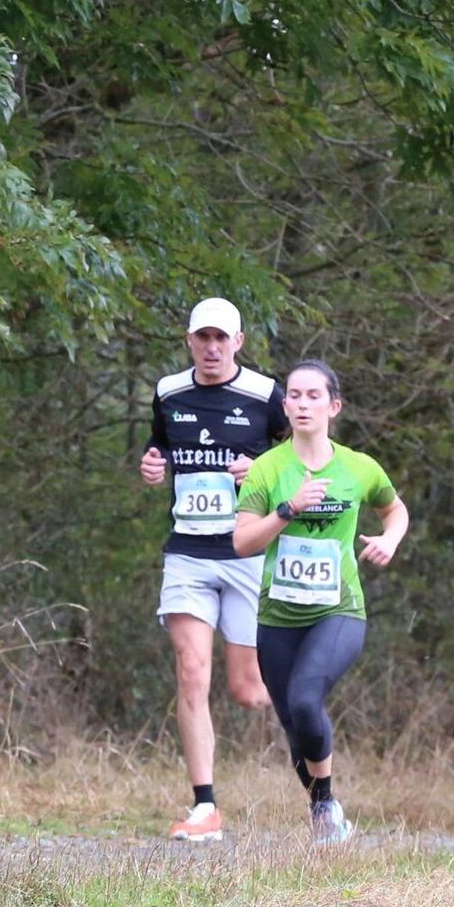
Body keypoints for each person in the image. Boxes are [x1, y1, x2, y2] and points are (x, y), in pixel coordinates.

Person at [233, 361, 407, 845]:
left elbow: (394, 508)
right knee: (293, 723)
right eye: (294, 395)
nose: (303, 404)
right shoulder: (268, 468)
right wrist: (288, 510)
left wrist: (390, 539)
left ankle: (326, 804)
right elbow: (243, 542)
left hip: (338, 610)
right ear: (284, 405)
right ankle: (323, 810)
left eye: (313, 396)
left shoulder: (358, 467)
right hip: (278, 616)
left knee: (307, 697)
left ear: (333, 406)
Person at [141, 298, 287, 842]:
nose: (211, 347)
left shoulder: (266, 395)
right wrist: (153, 464)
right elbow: (161, 449)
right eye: (202, 338)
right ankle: (205, 807)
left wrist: (265, 468)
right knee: (191, 670)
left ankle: (306, 696)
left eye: (221, 339)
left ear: (239, 342)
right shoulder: (168, 391)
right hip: (187, 553)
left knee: (249, 691)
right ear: (189, 340)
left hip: (246, 554)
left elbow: (302, 457)